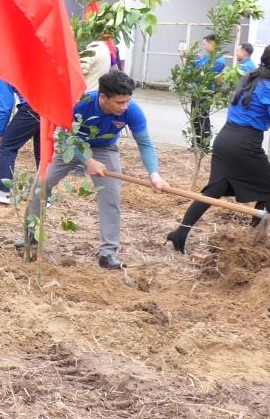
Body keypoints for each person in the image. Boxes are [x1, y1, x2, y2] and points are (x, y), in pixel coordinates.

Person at [164, 42, 270, 254]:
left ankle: (180, 234)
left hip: (225, 139)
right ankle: (254, 245)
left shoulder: (252, 76)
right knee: (269, 193)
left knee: (213, 190)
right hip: (245, 145)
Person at [21, 70, 168, 270]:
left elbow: (145, 144)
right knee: (43, 183)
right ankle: (30, 235)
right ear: (103, 97)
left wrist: (154, 174)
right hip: (72, 146)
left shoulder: (132, 110)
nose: (124, 107)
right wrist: (87, 160)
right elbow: (66, 136)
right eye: (119, 103)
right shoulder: (81, 104)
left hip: (104, 149)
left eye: (127, 101)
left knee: (111, 196)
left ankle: (108, 253)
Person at [0, 77, 40, 204]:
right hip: (49, 107)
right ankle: (44, 193)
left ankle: (2, 190)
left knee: (7, 146)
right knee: (42, 151)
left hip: (32, 108)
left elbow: (5, 107)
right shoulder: (20, 62)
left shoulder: (2, 73)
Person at [187, 34, 228, 147]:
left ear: (212, 43)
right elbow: (198, 65)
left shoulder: (218, 60)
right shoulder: (207, 56)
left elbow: (203, 73)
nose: (204, 47)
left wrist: (195, 70)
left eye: (205, 44)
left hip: (206, 91)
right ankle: (196, 143)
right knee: (195, 117)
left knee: (202, 117)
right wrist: (188, 58)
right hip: (198, 90)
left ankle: (203, 144)